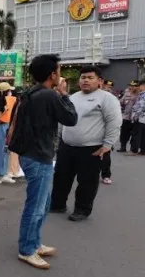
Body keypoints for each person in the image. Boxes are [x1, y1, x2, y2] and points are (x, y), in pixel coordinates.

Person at [9, 54, 78, 270]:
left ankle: (34, 243)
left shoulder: (31, 93)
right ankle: (27, 249)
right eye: (59, 71)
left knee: (42, 204)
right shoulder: (49, 95)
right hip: (39, 156)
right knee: (37, 206)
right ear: (52, 74)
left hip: (31, 154)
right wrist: (65, 95)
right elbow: (71, 119)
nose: (61, 75)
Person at [50, 66, 122, 222]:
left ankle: (82, 210)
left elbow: (114, 122)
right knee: (61, 177)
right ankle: (57, 204)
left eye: (90, 77)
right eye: (83, 77)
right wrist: (59, 139)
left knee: (87, 181)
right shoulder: (74, 97)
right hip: (67, 146)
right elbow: (65, 118)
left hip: (92, 148)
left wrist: (107, 145)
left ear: (100, 81)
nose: (86, 80)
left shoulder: (107, 98)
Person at [118, 80, 140, 153]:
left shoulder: (140, 95)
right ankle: (123, 147)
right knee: (124, 133)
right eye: (131, 85)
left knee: (135, 134)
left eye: (134, 86)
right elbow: (121, 102)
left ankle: (133, 148)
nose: (131, 87)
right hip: (126, 117)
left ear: (138, 87)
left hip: (136, 118)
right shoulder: (127, 93)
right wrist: (124, 99)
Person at [129, 80, 145, 156]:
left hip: (139, 117)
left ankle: (134, 150)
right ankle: (143, 150)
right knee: (143, 135)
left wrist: (135, 115)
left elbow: (141, 106)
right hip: (143, 118)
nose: (139, 87)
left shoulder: (142, 95)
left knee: (136, 134)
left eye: (140, 85)